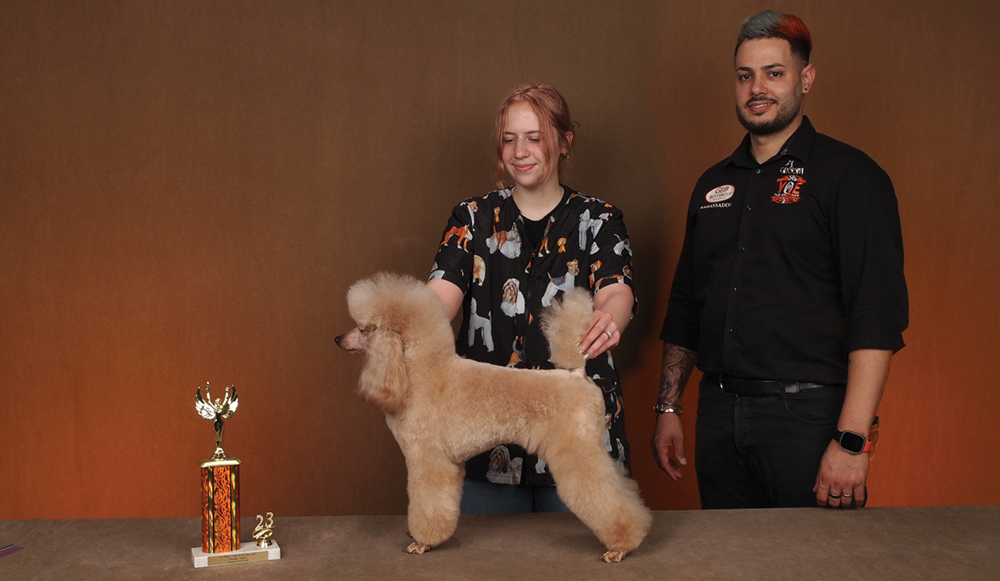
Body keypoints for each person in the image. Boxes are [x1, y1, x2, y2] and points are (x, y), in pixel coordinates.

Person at [651, 10, 908, 509]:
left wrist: (852, 440)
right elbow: (686, 304)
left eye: (774, 73)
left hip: (808, 419)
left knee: (814, 564)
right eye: (745, 76)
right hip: (719, 415)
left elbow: (876, 319)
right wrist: (668, 405)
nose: (757, 89)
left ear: (805, 78)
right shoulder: (712, 185)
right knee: (730, 562)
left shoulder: (851, 177)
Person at [427, 84, 637, 513]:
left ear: (563, 142)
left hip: (577, 441)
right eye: (509, 139)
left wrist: (609, 319)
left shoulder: (599, 219)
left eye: (534, 138)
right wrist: (407, 326)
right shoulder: (470, 219)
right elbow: (439, 296)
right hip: (488, 446)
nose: (520, 151)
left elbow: (618, 290)